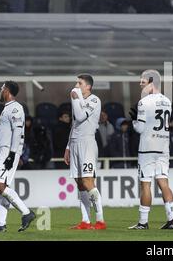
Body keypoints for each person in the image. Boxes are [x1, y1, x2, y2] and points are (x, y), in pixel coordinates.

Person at [0, 81, 36, 233]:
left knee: (0, 186)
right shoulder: (7, 108)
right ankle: (1, 224)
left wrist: (12, 154)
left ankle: (26, 213)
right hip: (4, 151)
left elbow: (18, 132)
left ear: (7, 90)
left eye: (1, 88)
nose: (0, 90)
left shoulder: (15, 108)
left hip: (7, 152)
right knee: (2, 187)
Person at [128, 70, 173, 230]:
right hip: (163, 147)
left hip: (148, 148)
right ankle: (171, 220)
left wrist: (134, 121)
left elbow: (140, 128)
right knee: (163, 182)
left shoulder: (144, 102)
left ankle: (143, 222)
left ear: (151, 83)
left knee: (145, 184)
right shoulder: (168, 101)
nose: (140, 84)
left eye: (143, 82)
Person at [64, 74, 105, 230]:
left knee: (88, 182)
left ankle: (100, 220)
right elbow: (75, 124)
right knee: (80, 183)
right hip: (74, 143)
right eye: (76, 82)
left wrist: (75, 99)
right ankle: (85, 221)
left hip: (87, 143)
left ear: (88, 86)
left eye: (79, 83)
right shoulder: (78, 100)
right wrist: (68, 146)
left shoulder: (94, 100)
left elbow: (80, 116)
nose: (76, 85)